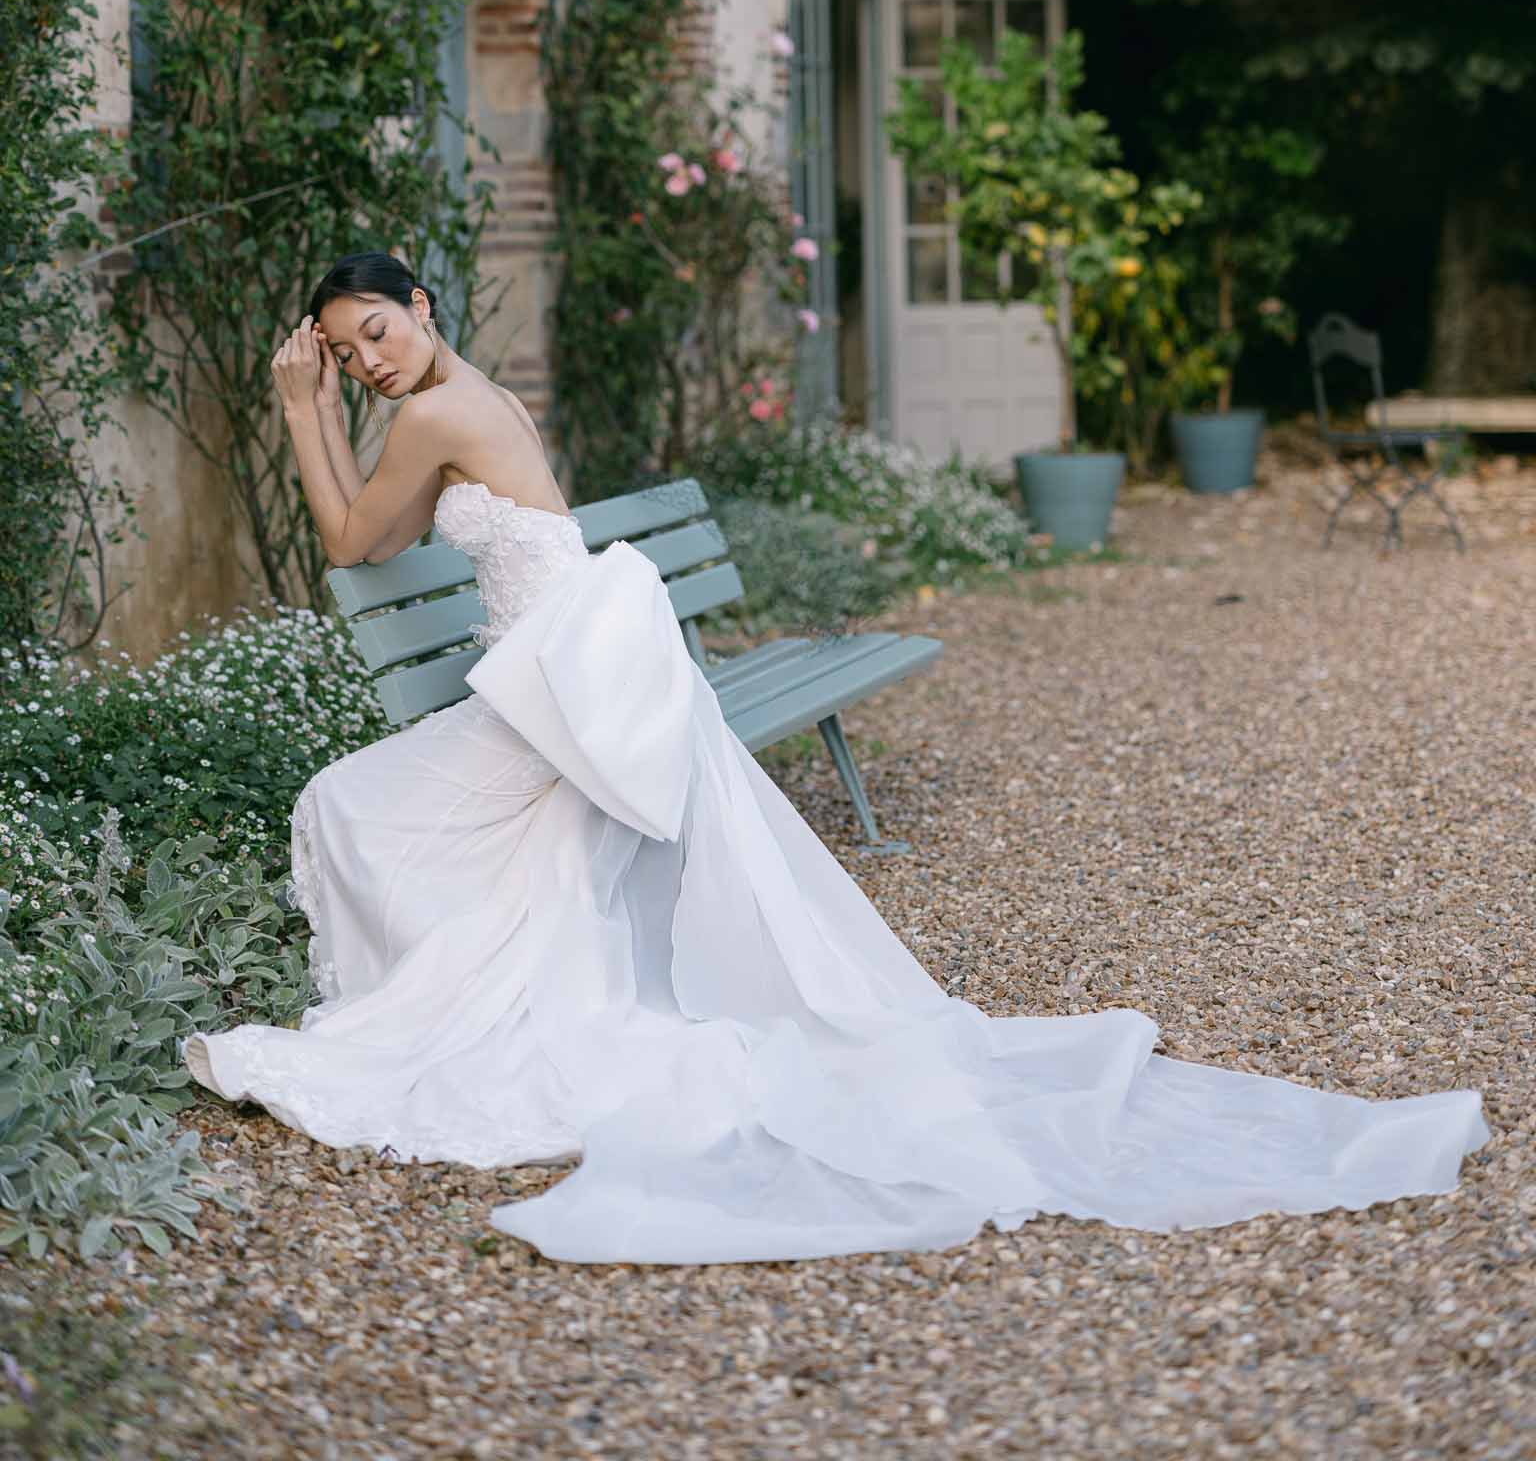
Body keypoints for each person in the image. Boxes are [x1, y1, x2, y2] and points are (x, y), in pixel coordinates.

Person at [181, 251, 1489, 1265]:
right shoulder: (466, 392)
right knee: (422, 829)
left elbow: (352, 544)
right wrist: (339, 405)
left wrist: (297, 410)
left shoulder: (431, 415)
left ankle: (451, 1007)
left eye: (376, 334)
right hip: (561, 671)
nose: (368, 363)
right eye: (347, 359)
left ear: (419, 302)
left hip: (553, 687)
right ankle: (473, 987)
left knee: (348, 802)